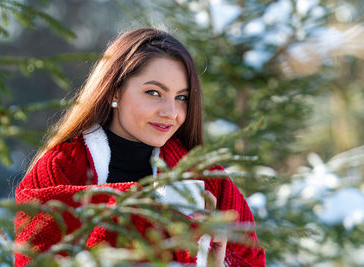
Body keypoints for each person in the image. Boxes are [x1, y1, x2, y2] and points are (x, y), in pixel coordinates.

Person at [15, 27, 266, 267]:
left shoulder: (208, 180)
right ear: (114, 91)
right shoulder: (59, 168)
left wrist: (218, 262)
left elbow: (251, 260)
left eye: (182, 98)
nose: (171, 112)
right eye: (154, 93)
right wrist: (156, 207)